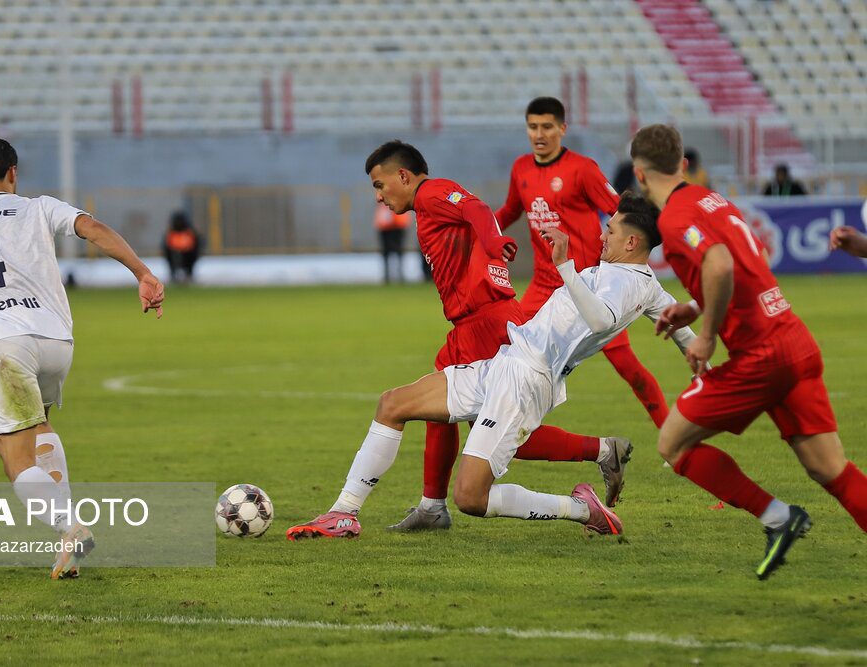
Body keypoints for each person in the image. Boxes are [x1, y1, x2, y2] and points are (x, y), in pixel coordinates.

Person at [287, 192, 697, 540]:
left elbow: (601, 320)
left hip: (526, 380)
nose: (603, 235)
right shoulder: (644, 284)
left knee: (470, 498)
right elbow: (680, 328)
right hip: (506, 360)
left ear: (631, 242)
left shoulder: (626, 284)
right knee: (393, 403)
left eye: (611, 231)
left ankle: (579, 509)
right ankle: (344, 513)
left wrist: (565, 265)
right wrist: (703, 366)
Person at [0, 137, 165, 579]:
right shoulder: (39, 207)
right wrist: (142, 273)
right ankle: (66, 547)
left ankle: (70, 528)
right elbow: (94, 228)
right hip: (55, 343)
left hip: (3, 348)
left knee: (14, 456)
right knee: (40, 426)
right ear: (13, 173)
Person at [348, 142, 633, 536]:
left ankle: (602, 452)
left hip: (489, 324)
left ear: (403, 176)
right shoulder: (429, 204)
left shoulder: (432, 192)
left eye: (380, 185)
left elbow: (477, 209)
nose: (379, 196)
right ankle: (432, 506)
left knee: (502, 437)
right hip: (472, 325)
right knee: (439, 411)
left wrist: (494, 242)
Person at [631, 124, 867, 580]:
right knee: (830, 469)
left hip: (761, 357)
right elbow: (750, 253)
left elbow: (719, 263)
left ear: (640, 175)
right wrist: (695, 307)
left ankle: (779, 518)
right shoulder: (713, 200)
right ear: (683, 165)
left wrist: (708, 334)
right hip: (794, 339)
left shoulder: (676, 219)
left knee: (672, 444)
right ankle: (782, 518)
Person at [495, 97, 670, 433]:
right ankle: (499, 427)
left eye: (547, 126)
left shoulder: (582, 169)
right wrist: (483, 232)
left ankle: (673, 439)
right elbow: (511, 210)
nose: (539, 134)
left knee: (628, 368)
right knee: (505, 349)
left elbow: (624, 214)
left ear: (563, 128)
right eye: (533, 127)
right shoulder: (521, 168)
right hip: (543, 285)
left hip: (589, 288)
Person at [163, 211, 203, 284]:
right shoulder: (171, 233)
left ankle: (188, 275)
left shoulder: (190, 232)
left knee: (189, 261)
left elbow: (196, 246)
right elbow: (167, 247)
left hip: (188, 255)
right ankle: (174, 275)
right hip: (174, 255)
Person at [374, 201, 410, 284]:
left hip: (396, 224)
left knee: (397, 251)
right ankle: (390, 276)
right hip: (388, 225)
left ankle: (397, 275)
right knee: (389, 252)